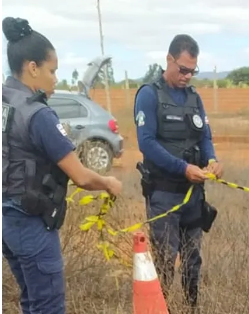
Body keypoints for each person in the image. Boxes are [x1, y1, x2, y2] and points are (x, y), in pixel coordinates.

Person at [1, 17, 123, 314]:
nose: (55, 78)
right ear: (32, 68)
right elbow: (80, 176)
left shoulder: (6, 101)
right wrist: (108, 183)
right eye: (51, 70)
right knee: (48, 306)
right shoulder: (38, 114)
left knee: (31, 300)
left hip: (8, 220)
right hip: (32, 221)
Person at [133, 34, 223, 312]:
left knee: (193, 259)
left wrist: (212, 160)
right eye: (183, 69)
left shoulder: (194, 97)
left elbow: (205, 136)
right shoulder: (149, 95)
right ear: (169, 59)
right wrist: (183, 169)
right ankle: (161, 307)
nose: (187, 76)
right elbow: (146, 143)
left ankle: (191, 306)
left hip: (193, 195)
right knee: (165, 260)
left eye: (192, 71)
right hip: (164, 194)